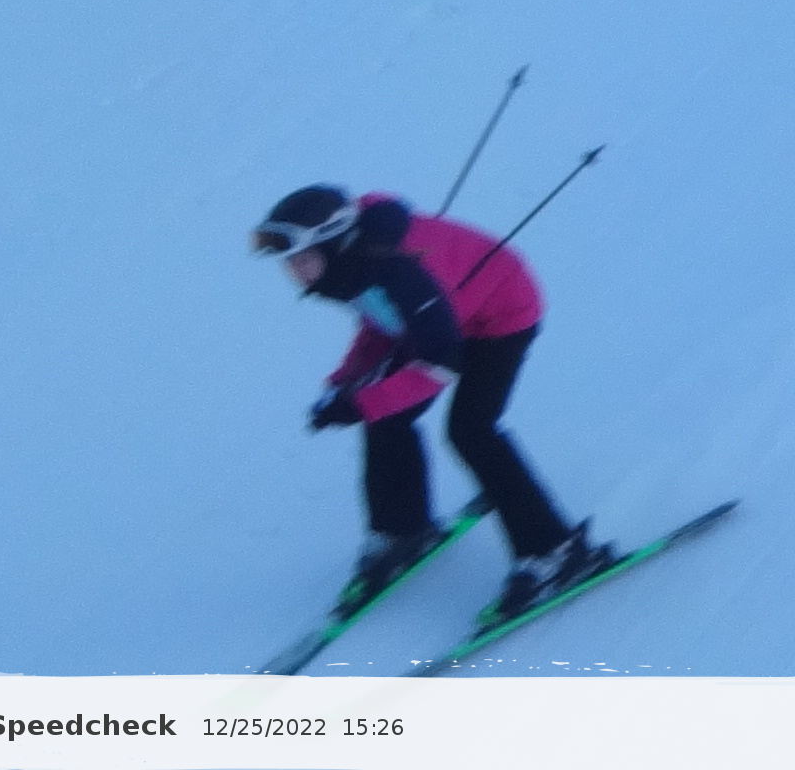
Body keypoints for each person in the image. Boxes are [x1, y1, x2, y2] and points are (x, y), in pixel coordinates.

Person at [251, 185, 612, 622]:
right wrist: (344, 384)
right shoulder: (353, 262)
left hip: (500, 316)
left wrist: (362, 403)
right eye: (289, 263)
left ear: (333, 243)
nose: (294, 272)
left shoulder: (402, 272)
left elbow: (437, 365)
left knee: (471, 431)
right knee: (387, 415)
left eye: (302, 259)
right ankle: (402, 530)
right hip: (441, 322)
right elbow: (382, 322)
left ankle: (556, 551)